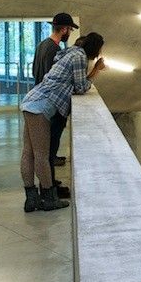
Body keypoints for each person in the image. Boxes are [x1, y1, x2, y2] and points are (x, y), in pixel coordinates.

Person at [19, 32, 105, 212]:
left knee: (28, 153)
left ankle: (31, 199)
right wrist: (96, 71)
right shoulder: (80, 57)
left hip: (32, 101)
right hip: (41, 106)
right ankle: (49, 198)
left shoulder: (70, 52)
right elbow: (81, 87)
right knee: (41, 155)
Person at [32, 13, 79, 198]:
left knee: (46, 148)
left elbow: (35, 72)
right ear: (64, 29)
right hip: (50, 104)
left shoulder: (42, 45)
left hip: (40, 101)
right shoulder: (54, 49)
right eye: (70, 30)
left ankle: (49, 182)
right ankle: (49, 187)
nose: (70, 33)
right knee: (50, 148)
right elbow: (53, 78)